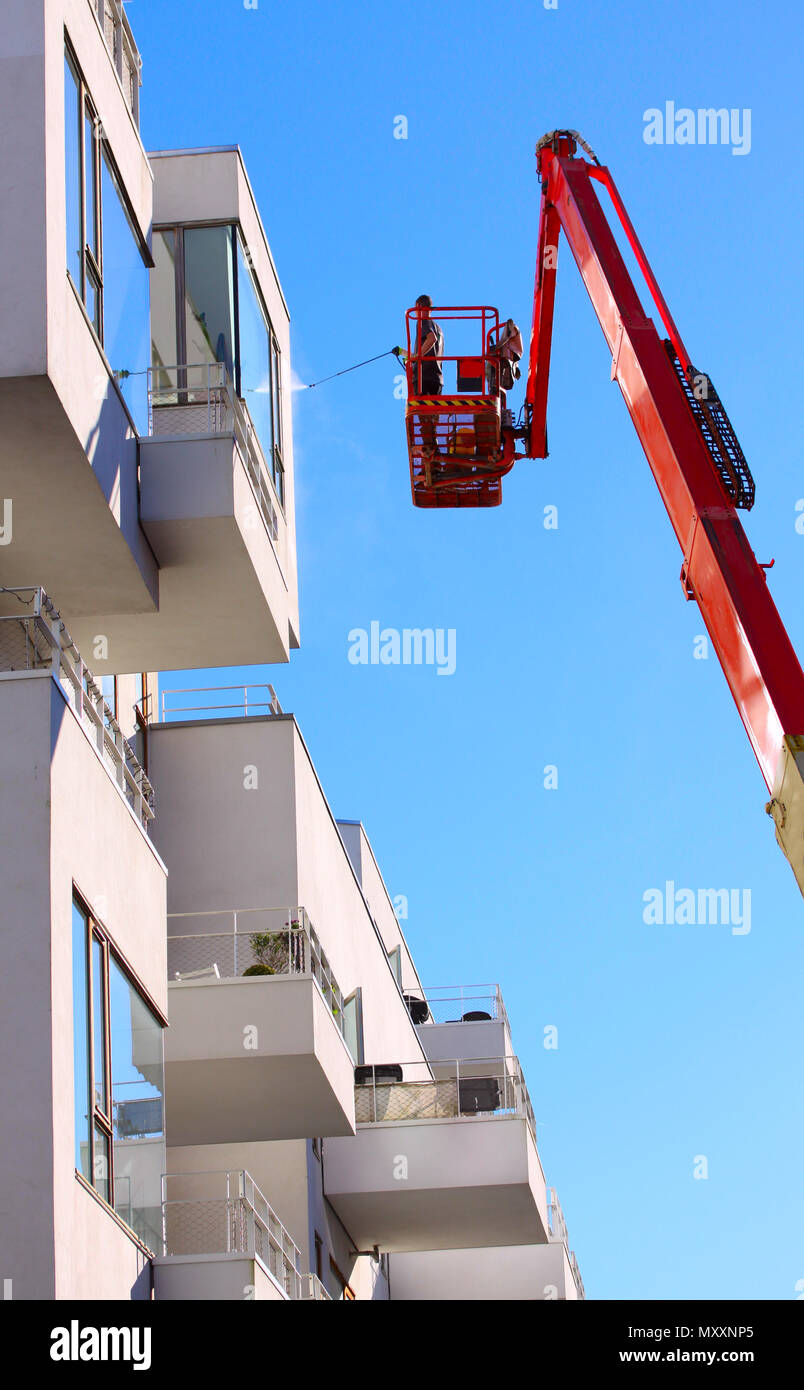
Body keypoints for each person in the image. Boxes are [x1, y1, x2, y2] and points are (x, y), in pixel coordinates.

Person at [411, 294, 444, 457]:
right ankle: (434, 451)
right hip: (437, 377)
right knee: (432, 418)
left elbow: (431, 339)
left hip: (425, 375)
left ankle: (430, 453)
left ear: (418, 306)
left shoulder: (423, 322)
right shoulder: (438, 327)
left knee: (424, 415)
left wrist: (417, 357)